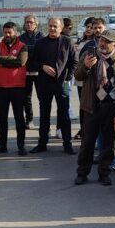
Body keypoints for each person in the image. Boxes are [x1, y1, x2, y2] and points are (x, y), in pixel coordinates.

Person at [74, 30, 115, 184]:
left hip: (112, 107)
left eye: (106, 41)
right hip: (92, 105)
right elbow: (78, 76)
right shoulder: (89, 55)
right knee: (87, 142)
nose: (102, 43)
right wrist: (85, 66)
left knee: (108, 143)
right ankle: (82, 173)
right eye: (101, 40)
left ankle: (104, 173)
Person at [29, 17, 77, 154]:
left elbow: (74, 61)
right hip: (44, 84)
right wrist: (42, 67)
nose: (52, 28)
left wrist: (67, 77)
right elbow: (33, 62)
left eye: (55, 26)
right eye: (50, 26)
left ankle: (67, 144)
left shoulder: (67, 41)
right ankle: (42, 143)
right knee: (44, 114)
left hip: (62, 84)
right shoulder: (40, 43)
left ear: (61, 28)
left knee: (64, 115)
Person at [0, 21, 29, 156]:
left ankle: (21, 145)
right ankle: (2, 145)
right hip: (1, 88)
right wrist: (9, 59)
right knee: (2, 118)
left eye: (10, 32)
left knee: (19, 118)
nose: (7, 35)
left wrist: (3, 61)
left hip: (17, 88)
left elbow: (20, 62)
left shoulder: (22, 46)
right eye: (5, 32)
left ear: (15, 32)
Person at [20, 15, 44, 126]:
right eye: (27, 22)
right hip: (25, 72)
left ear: (36, 24)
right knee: (26, 98)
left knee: (42, 98)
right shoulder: (21, 38)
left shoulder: (41, 37)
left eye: (31, 22)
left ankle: (43, 120)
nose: (29, 24)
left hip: (39, 73)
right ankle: (28, 119)